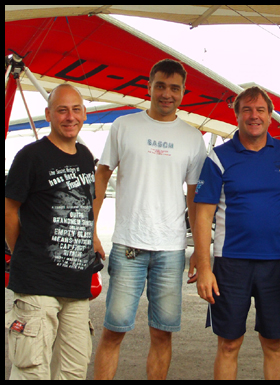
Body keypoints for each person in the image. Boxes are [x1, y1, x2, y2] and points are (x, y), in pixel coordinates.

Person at [193, 86, 280, 380]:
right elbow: (203, 217)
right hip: (230, 265)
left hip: (276, 265)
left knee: (274, 343)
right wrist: (203, 268)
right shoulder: (218, 158)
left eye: (260, 110)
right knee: (228, 344)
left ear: (270, 115)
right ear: (236, 115)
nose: (254, 116)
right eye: (247, 110)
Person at [92, 59, 207, 380]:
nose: (166, 94)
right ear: (149, 87)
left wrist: (199, 249)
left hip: (171, 251)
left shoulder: (192, 137)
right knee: (113, 331)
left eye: (174, 88)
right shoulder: (124, 126)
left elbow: (195, 198)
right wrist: (91, 228)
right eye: (160, 86)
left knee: (162, 333)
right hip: (128, 245)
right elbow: (102, 175)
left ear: (183, 92)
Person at [5, 84, 96, 380]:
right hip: (37, 282)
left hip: (76, 285)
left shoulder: (85, 156)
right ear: (48, 115)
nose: (70, 117)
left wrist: (92, 239)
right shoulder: (31, 156)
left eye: (76, 109)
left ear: (84, 113)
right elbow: (9, 210)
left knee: (74, 369)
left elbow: (85, 206)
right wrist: (24, 252)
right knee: (31, 368)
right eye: (62, 110)